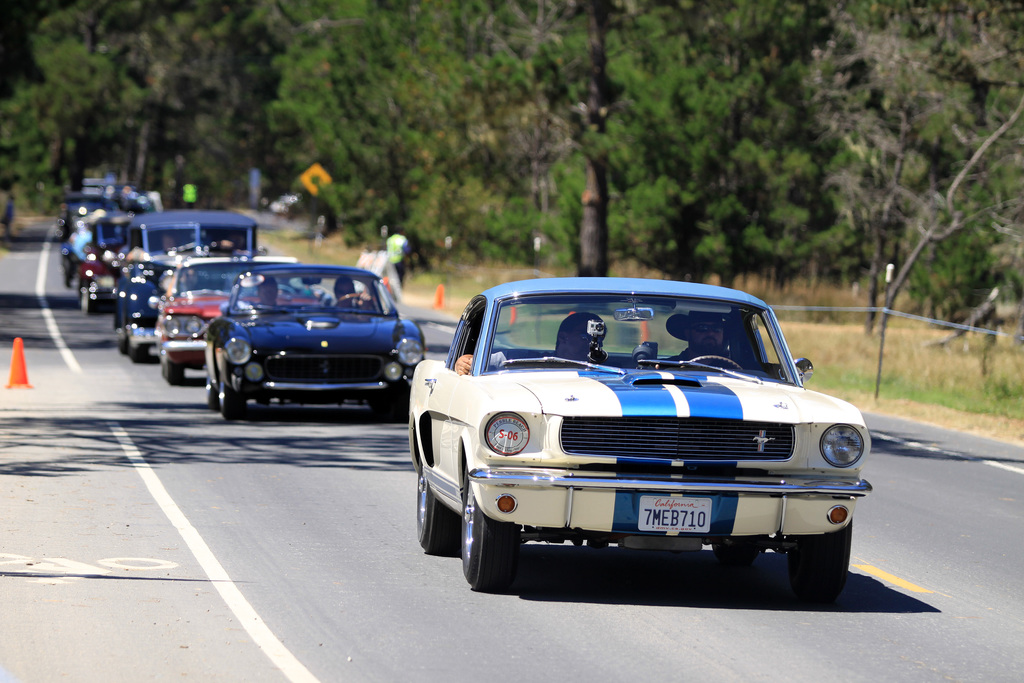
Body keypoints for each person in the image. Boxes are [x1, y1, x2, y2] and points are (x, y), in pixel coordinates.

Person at [455, 311, 603, 375]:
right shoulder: (524, 360)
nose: (594, 344)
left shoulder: (612, 370)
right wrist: (464, 362)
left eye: (598, 339)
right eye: (585, 337)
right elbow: (477, 362)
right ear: (564, 338)